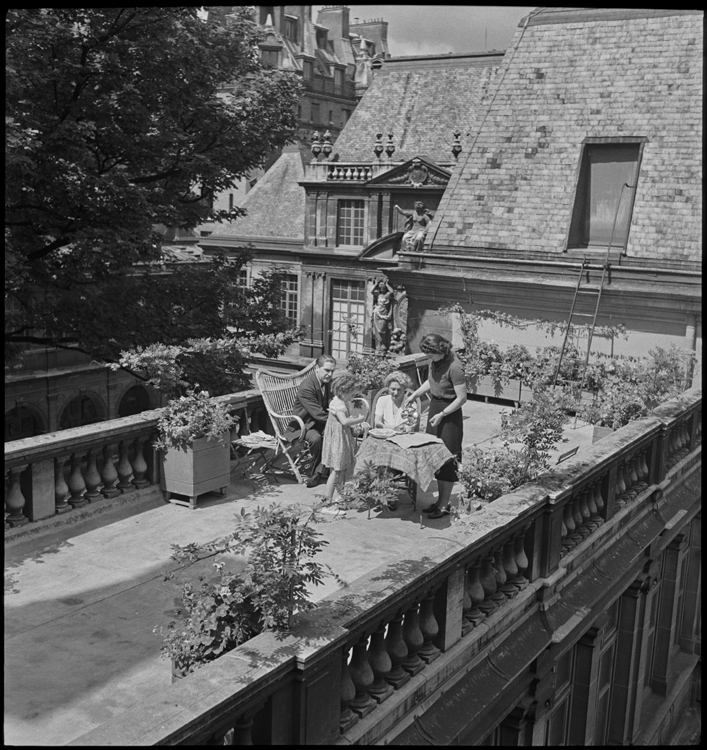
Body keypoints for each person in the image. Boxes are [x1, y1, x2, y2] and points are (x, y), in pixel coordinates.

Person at [405, 333, 467, 518]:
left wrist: (443, 414)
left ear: (441, 350)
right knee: (435, 456)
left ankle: (444, 504)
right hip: (436, 408)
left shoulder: (455, 367)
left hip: (449, 414)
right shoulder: (436, 361)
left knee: (447, 459)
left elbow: (462, 398)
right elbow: (431, 381)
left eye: (431, 355)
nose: (429, 359)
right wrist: (415, 394)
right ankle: (440, 501)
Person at [284, 354, 336, 488]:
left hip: (318, 422)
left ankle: (323, 470)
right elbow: (318, 414)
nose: (330, 374)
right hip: (303, 425)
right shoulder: (307, 386)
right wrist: (338, 422)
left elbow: (332, 403)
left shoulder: (328, 383)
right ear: (316, 369)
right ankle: (316, 473)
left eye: (332, 371)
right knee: (317, 438)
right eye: (327, 370)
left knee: (333, 434)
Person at [320, 373, 370, 503]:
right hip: (338, 441)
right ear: (343, 391)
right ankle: (327, 500)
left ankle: (339, 496)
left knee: (340, 469)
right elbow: (344, 422)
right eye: (352, 394)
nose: (353, 397)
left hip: (339, 438)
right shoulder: (339, 404)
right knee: (336, 472)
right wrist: (359, 419)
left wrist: (354, 422)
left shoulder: (341, 401)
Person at [371, 279, 395, 353]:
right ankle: (378, 346)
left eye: (383, 287)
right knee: (377, 331)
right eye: (380, 287)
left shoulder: (387, 294)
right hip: (377, 314)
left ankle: (384, 344)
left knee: (382, 330)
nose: (382, 288)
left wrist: (387, 284)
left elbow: (392, 292)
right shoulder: (378, 294)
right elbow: (371, 291)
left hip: (384, 314)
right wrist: (376, 284)